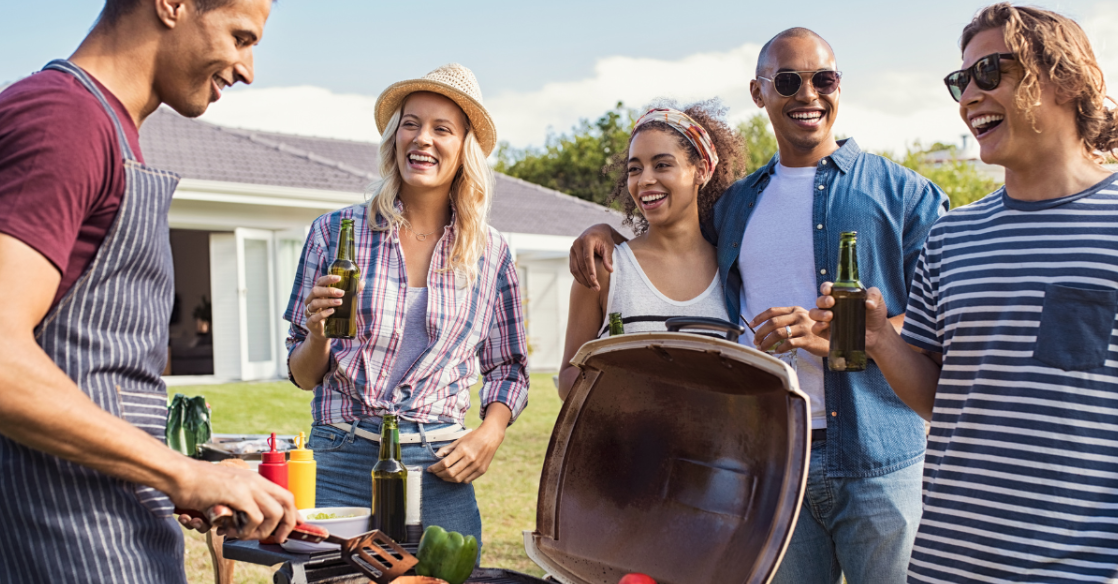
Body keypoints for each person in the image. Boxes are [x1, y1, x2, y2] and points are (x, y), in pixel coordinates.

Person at [569, 28, 949, 583]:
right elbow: (673, 229)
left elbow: (939, 319)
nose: (808, 94)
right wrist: (603, 229)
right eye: (789, 81)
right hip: (772, 462)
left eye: (825, 79)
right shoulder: (736, 206)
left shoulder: (903, 193)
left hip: (879, 463)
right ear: (759, 92)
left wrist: (839, 336)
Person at [813, 4, 1118, 582]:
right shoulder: (952, 237)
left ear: (1068, 79)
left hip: (1080, 569)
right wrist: (878, 338)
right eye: (961, 81)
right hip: (945, 565)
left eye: (989, 73)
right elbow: (942, 398)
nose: (968, 97)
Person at [0, 1, 297, 582]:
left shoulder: (108, 130)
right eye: (240, 37)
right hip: (64, 545)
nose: (247, 68)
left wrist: (173, 472)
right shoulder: (64, 120)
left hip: (109, 529)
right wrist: (182, 473)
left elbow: (89, 368)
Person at [284, 63, 529, 551]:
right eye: (411, 124)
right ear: (395, 137)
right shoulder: (334, 234)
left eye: (442, 129)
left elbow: (509, 366)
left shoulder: (492, 251)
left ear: (464, 149)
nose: (423, 139)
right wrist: (317, 335)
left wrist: (491, 432)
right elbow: (303, 373)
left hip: (438, 465)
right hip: (340, 456)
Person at [558, 103, 744, 399]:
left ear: (702, 171)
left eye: (662, 165)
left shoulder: (733, 270)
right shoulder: (605, 268)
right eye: (635, 169)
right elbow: (568, 375)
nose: (645, 180)